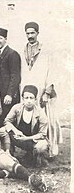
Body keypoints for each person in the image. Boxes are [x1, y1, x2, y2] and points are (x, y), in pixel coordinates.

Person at [21, 22, 62, 158]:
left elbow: (52, 71)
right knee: (32, 121)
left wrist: (47, 92)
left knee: (47, 120)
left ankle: (50, 150)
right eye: (27, 33)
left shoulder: (45, 51)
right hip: (30, 93)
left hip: (43, 92)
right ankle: (32, 151)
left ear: (37, 33)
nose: (30, 36)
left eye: (32, 33)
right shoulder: (24, 50)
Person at [3, 85, 49, 167]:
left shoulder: (40, 113)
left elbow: (43, 134)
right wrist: (16, 131)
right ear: (23, 99)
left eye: (31, 98)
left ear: (35, 100)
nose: (29, 101)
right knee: (3, 130)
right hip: (18, 137)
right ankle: (9, 154)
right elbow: (7, 121)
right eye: (26, 98)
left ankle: (35, 158)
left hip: (32, 141)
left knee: (42, 145)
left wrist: (27, 138)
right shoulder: (17, 108)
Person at [0, 27, 21, 127]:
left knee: (9, 121)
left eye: (0, 38)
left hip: (9, 96)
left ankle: (12, 143)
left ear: (5, 39)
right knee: (0, 120)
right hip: (0, 95)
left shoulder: (12, 54)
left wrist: (10, 94)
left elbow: (15, 76)